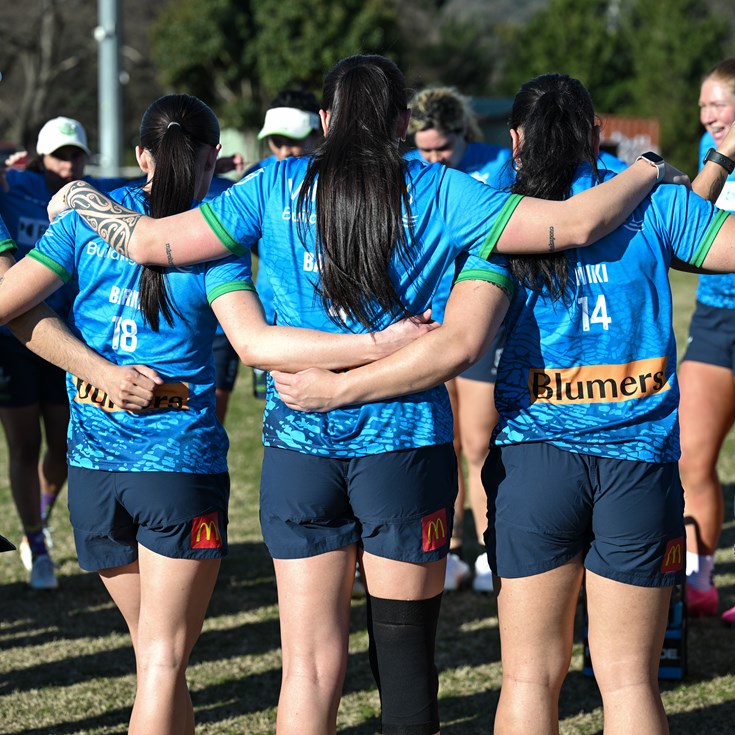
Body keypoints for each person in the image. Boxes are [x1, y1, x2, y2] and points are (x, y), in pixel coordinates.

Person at [50, 56, 670, 735]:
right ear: (404, 123)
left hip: (300, 449)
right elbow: (576, 225)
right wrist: (645, 169)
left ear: (324, 121)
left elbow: (149, 240)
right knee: (404, 666)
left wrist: (81, 196)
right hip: (402, 449)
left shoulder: (273, 185)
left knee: (307, 672)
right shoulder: (442, 190)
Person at [269, 72, 735, 734]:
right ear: (594, 134)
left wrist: (340, 383)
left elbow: (458, 342)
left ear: (513, 139)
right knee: (630, 681)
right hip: (636, 467)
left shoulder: (502, 215)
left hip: (535, 466)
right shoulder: (655, 203)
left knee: (525, 678)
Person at [0, 92, 436, 735]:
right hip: (177, 472)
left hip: (94, 474)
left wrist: (96, 373)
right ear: (214, 158)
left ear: (141, 155)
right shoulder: (213, 246)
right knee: (161, 661)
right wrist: (381, 343)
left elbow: (9, 304)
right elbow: (256, 344)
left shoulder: (83, 225)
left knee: (155, 657)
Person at [0, 116, 134, 588]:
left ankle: (39, 516)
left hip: (67, 338)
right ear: (40, 157)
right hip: (14, 337)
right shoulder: (13, 183)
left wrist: (219, 166)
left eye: (75, 154)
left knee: (60, 445)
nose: (68, 164)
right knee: (23, 444)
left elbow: (147, 178)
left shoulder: (93, 191)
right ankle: (36, 544)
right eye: (58, 155)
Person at [406, 86, 513, 592]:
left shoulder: (498, 163)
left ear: (461, 135)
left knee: (478, 440)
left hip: (480, 321)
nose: (431, 159)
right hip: (425, 320)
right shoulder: (407, 168)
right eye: (424, 149)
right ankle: (447, 551)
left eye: (441, 149)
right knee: (439, 440)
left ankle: (492, 550)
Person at [679, 57, 735, 623]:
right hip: (717, 319)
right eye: (702, 105)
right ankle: (699, 578)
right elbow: (692, 224)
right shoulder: (709, 147)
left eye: (717, 103)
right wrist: (721, 157)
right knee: (693, 454)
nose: (707, 115)